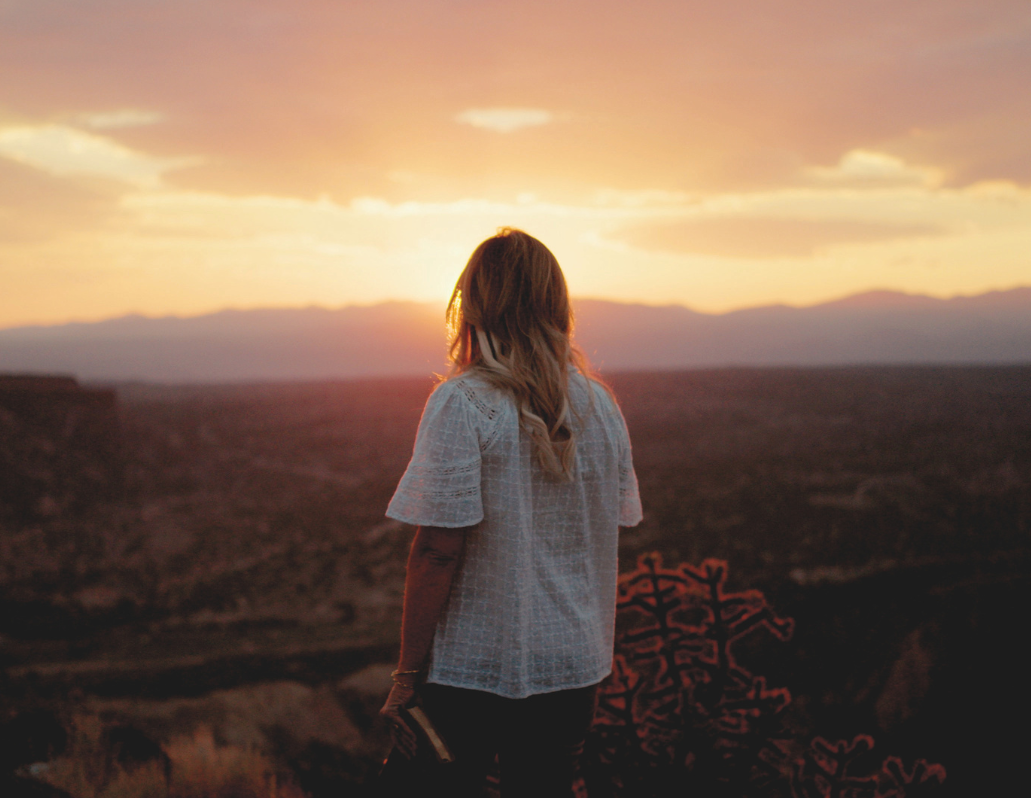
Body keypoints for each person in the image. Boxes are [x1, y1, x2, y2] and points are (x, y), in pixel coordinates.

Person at [379, 228, 642, 797]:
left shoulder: (465, 402)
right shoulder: (601, 406)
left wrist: (406, 675)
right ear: (556, 305)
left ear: (473, 303)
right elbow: (602, 528)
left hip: (472, 666)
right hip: (572, 666)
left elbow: (437, 551)